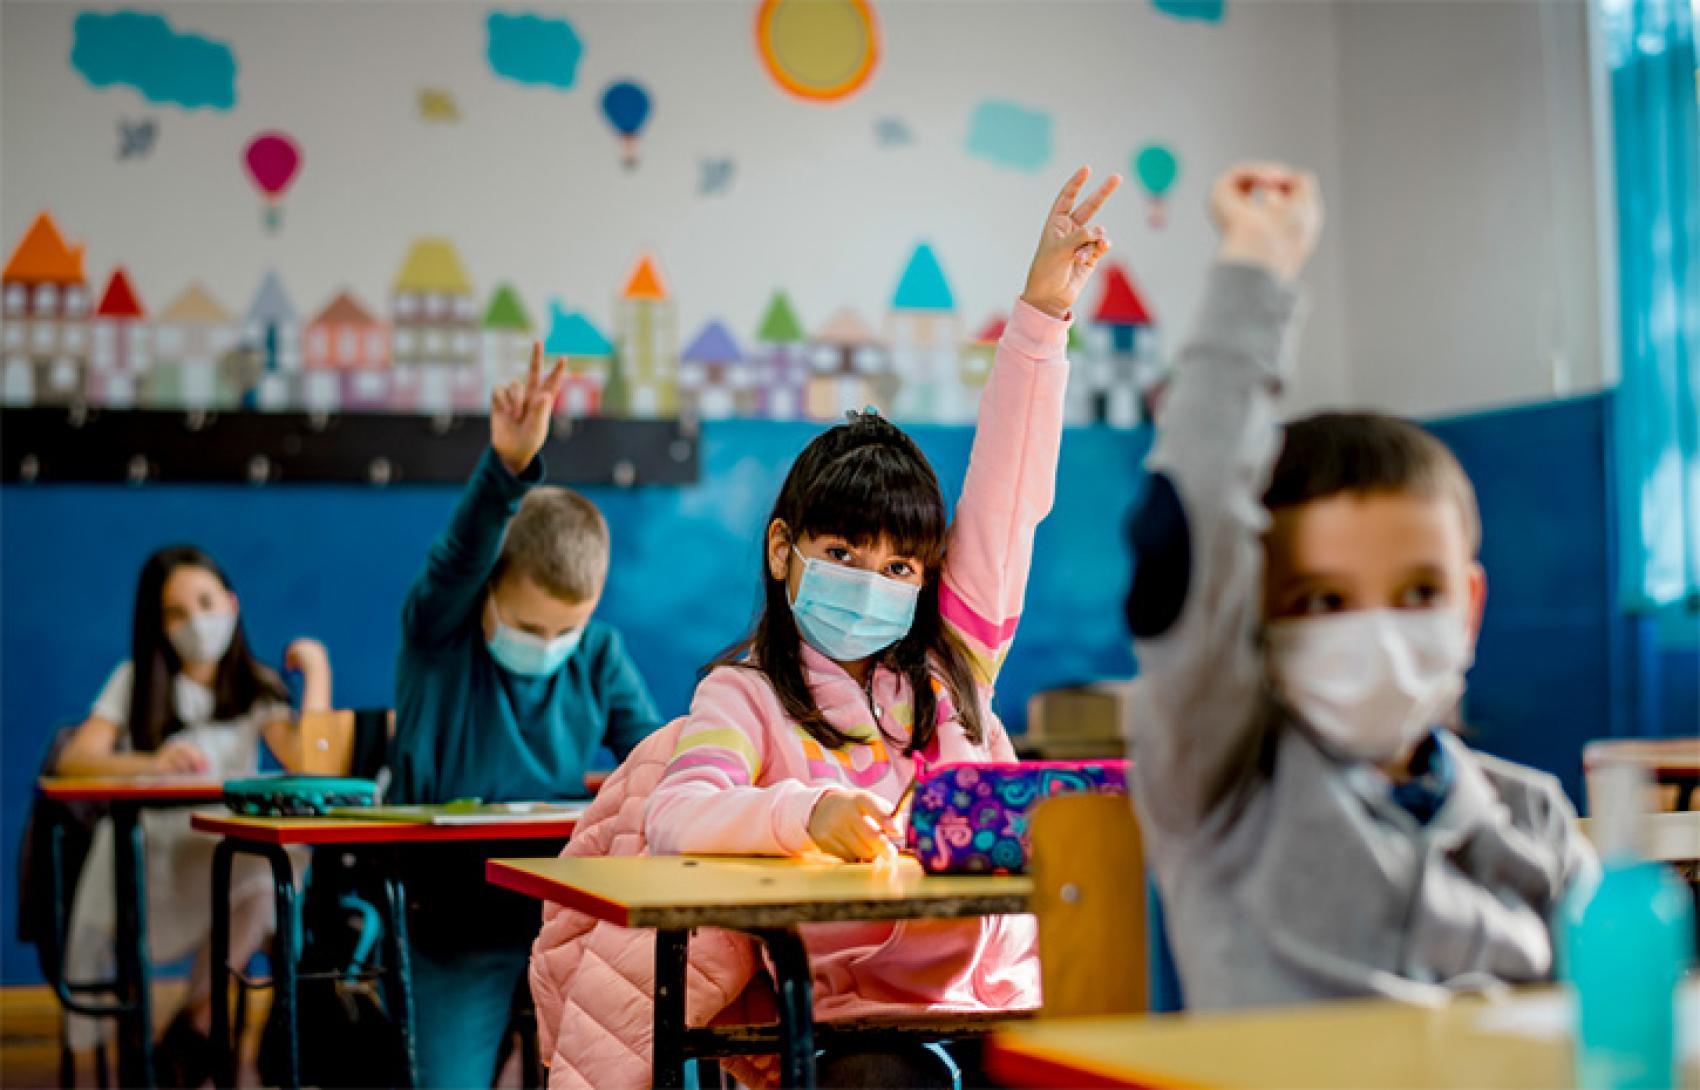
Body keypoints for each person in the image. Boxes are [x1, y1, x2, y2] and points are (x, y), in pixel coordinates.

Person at [1125, 161, 1599, 1010]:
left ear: (1471, 608)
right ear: (1252, 617)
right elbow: (1189, 526)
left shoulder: (1537, 823)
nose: (1377, 629)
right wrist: (1257, 268)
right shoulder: (1225, 787)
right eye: (1323, 601)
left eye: (1419, 592)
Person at [390, 348, 662, 1087]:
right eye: (528, 625)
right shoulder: (438, 634)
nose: (549, 647)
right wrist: (506, 468)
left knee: (650, 1057)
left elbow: (659, 754)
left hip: (569, 913)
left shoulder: (598, 653)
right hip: (452, 918)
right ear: (488, 592)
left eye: (564, 630)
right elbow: (457, 556)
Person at [57, 544, 331, 1085]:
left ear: (231, 604)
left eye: (205, 603)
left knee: (270, 872)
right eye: (176, 613)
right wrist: (149, 762)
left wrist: (317, 672)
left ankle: (197, 1022)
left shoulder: (255, 687)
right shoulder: (135, 679)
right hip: (152, 855)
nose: (195, 623)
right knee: (256, 871)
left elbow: (310, 762)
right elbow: (74, 759)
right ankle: (195, 1036)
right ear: (158, 625)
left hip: (222, 850)